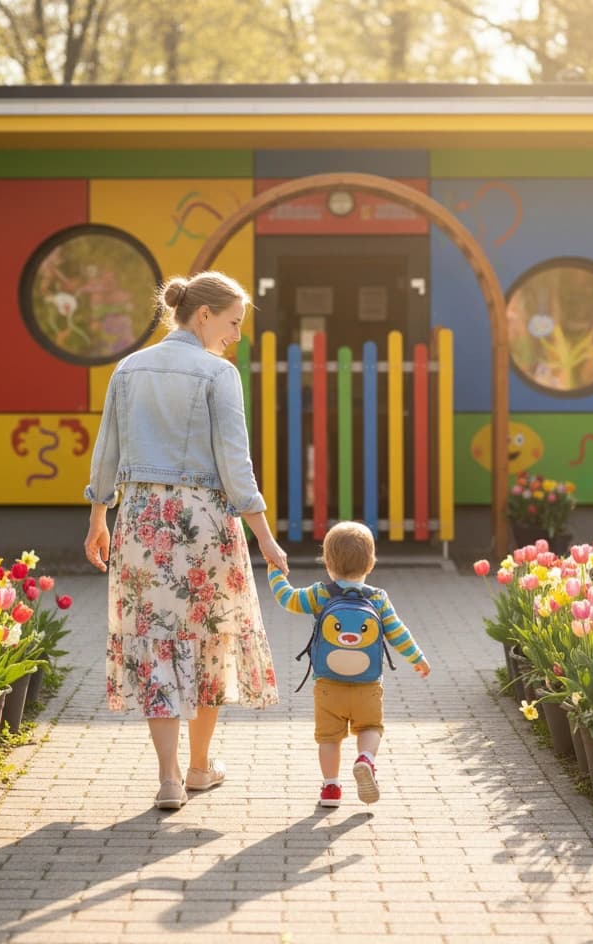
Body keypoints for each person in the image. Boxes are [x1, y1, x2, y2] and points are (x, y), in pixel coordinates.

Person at [84, 271, 288, 811]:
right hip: (204, 525)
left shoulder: (128, 369)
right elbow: (235, 464)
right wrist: (265, 536)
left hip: (141, 520)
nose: (236, 335)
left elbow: (106, 450)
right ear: (203, 315)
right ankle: (200, 767)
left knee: (155, 643)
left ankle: (169, 777)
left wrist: (97, 517)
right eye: (233, 322)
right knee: (207, 643)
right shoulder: (217, 374)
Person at [267, 521, 430, 807]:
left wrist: (274, 571)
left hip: (328, 686)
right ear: (371, 563)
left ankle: (331, 788)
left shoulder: (320, 594)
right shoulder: (378, 598)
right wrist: (417, 658)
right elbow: (397, 633)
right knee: (370, 728)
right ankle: (366, 759)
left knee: (329, 739)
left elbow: (288, 599)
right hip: (368, 685)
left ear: (327, 562)